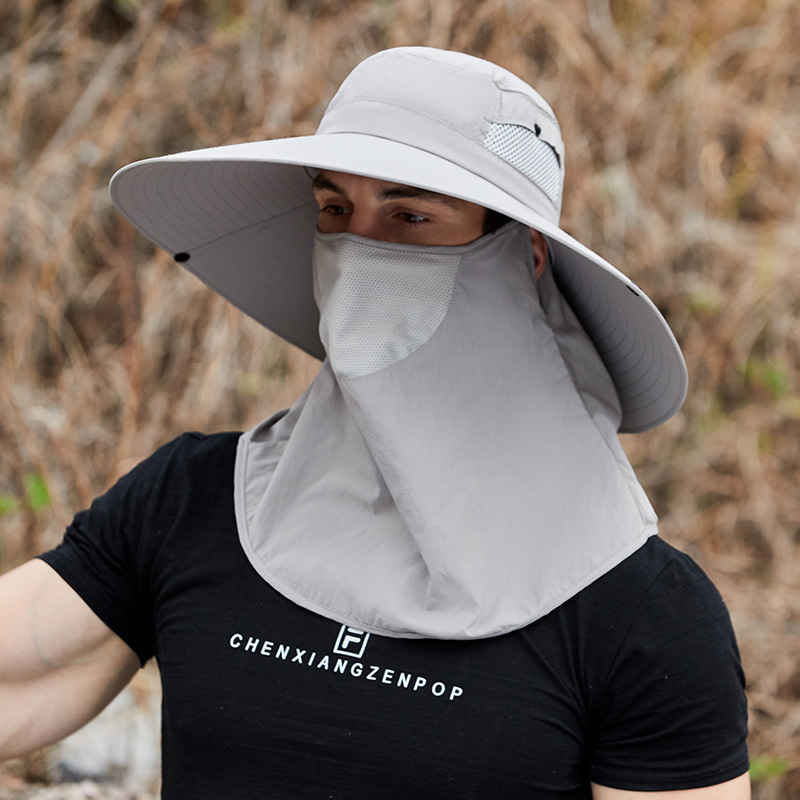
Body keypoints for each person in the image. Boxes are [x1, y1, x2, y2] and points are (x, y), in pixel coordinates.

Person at [0, 47, 749, 798]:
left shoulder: (640, 611)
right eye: (336, 210)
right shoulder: (196, 501)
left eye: (411, 215)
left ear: (524, 254)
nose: (360, 250)